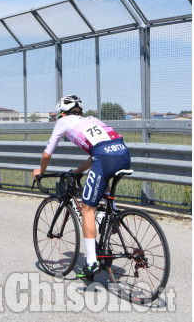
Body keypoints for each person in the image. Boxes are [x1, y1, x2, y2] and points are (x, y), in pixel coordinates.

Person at [33, 94, 131, 280]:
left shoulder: (62, 122)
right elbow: (100, 148)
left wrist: (41, 171)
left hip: (104, 157)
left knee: (87, 208)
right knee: (103, 185)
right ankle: (114, 219)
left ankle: (92, 262)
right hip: (123, 152)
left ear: (61, 113)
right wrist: (78, 170)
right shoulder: (91, 119)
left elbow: (47, 154)